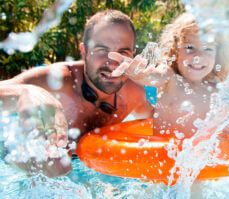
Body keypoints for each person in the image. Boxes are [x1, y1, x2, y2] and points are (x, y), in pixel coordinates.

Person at [0, 10, 153, 177]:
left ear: (133, 54)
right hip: (14, 168)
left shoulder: (133, 92)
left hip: (89, 173)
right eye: (102, 50)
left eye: (123, 52)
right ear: (84, 51)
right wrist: (25, 92)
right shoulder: (57, 81)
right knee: (57, 164)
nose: (113, 64)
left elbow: (161, 122)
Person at [109, 12, 229, 138]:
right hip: (164, 156)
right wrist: (139, 73)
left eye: (208, 49)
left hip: (197, 157)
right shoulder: (170, 79)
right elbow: (154, 76)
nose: (198, 56)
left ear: (217, 55)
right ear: (176, 50)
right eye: (190, 48)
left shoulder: (216, 90)